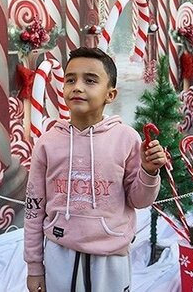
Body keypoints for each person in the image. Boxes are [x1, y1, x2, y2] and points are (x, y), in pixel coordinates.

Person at [23, 47, 166, 292]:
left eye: (90, 80)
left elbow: (139, 200)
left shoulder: (126, 139)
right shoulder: (47, 143)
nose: (77, 86)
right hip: (60, 253)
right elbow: (34, 209)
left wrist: (149, 171)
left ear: (110, 94)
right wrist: (35, 267)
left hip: (110, 257)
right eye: (70, 79)